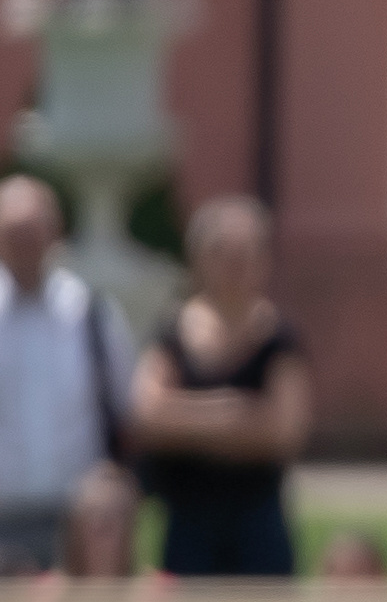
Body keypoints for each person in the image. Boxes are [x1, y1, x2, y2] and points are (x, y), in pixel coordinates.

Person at [0, 176, 137, 574]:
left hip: (75, 531)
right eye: (13, 232)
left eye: (35, 230)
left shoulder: (93, 314)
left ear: (56, 232)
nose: (25, 243)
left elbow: (123, 412)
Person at [124, 196, 311, 579]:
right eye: (222, 254)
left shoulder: (279, 340)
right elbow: (146, 415)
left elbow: (285, 432)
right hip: (187, 525)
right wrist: (235, 412)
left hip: (259, 527)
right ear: (198, 259)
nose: (233, 266)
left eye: (245, 255)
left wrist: (187, 421)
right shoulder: (172, 332)